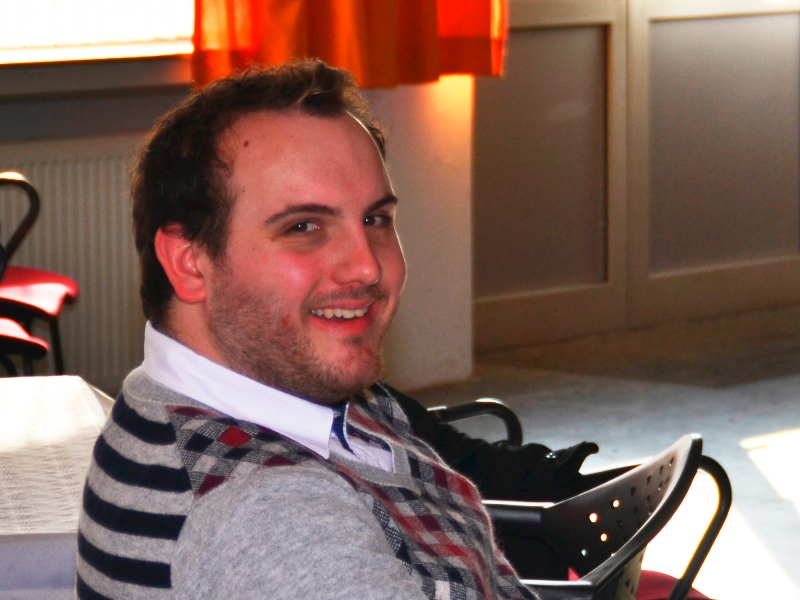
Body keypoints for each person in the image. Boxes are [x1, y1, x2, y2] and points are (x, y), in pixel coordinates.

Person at [75, 60, 596, 599]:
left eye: (375, 219)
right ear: (189, 262)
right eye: (303, 227)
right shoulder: (271, 521)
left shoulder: (226, 394)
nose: (367, 267)